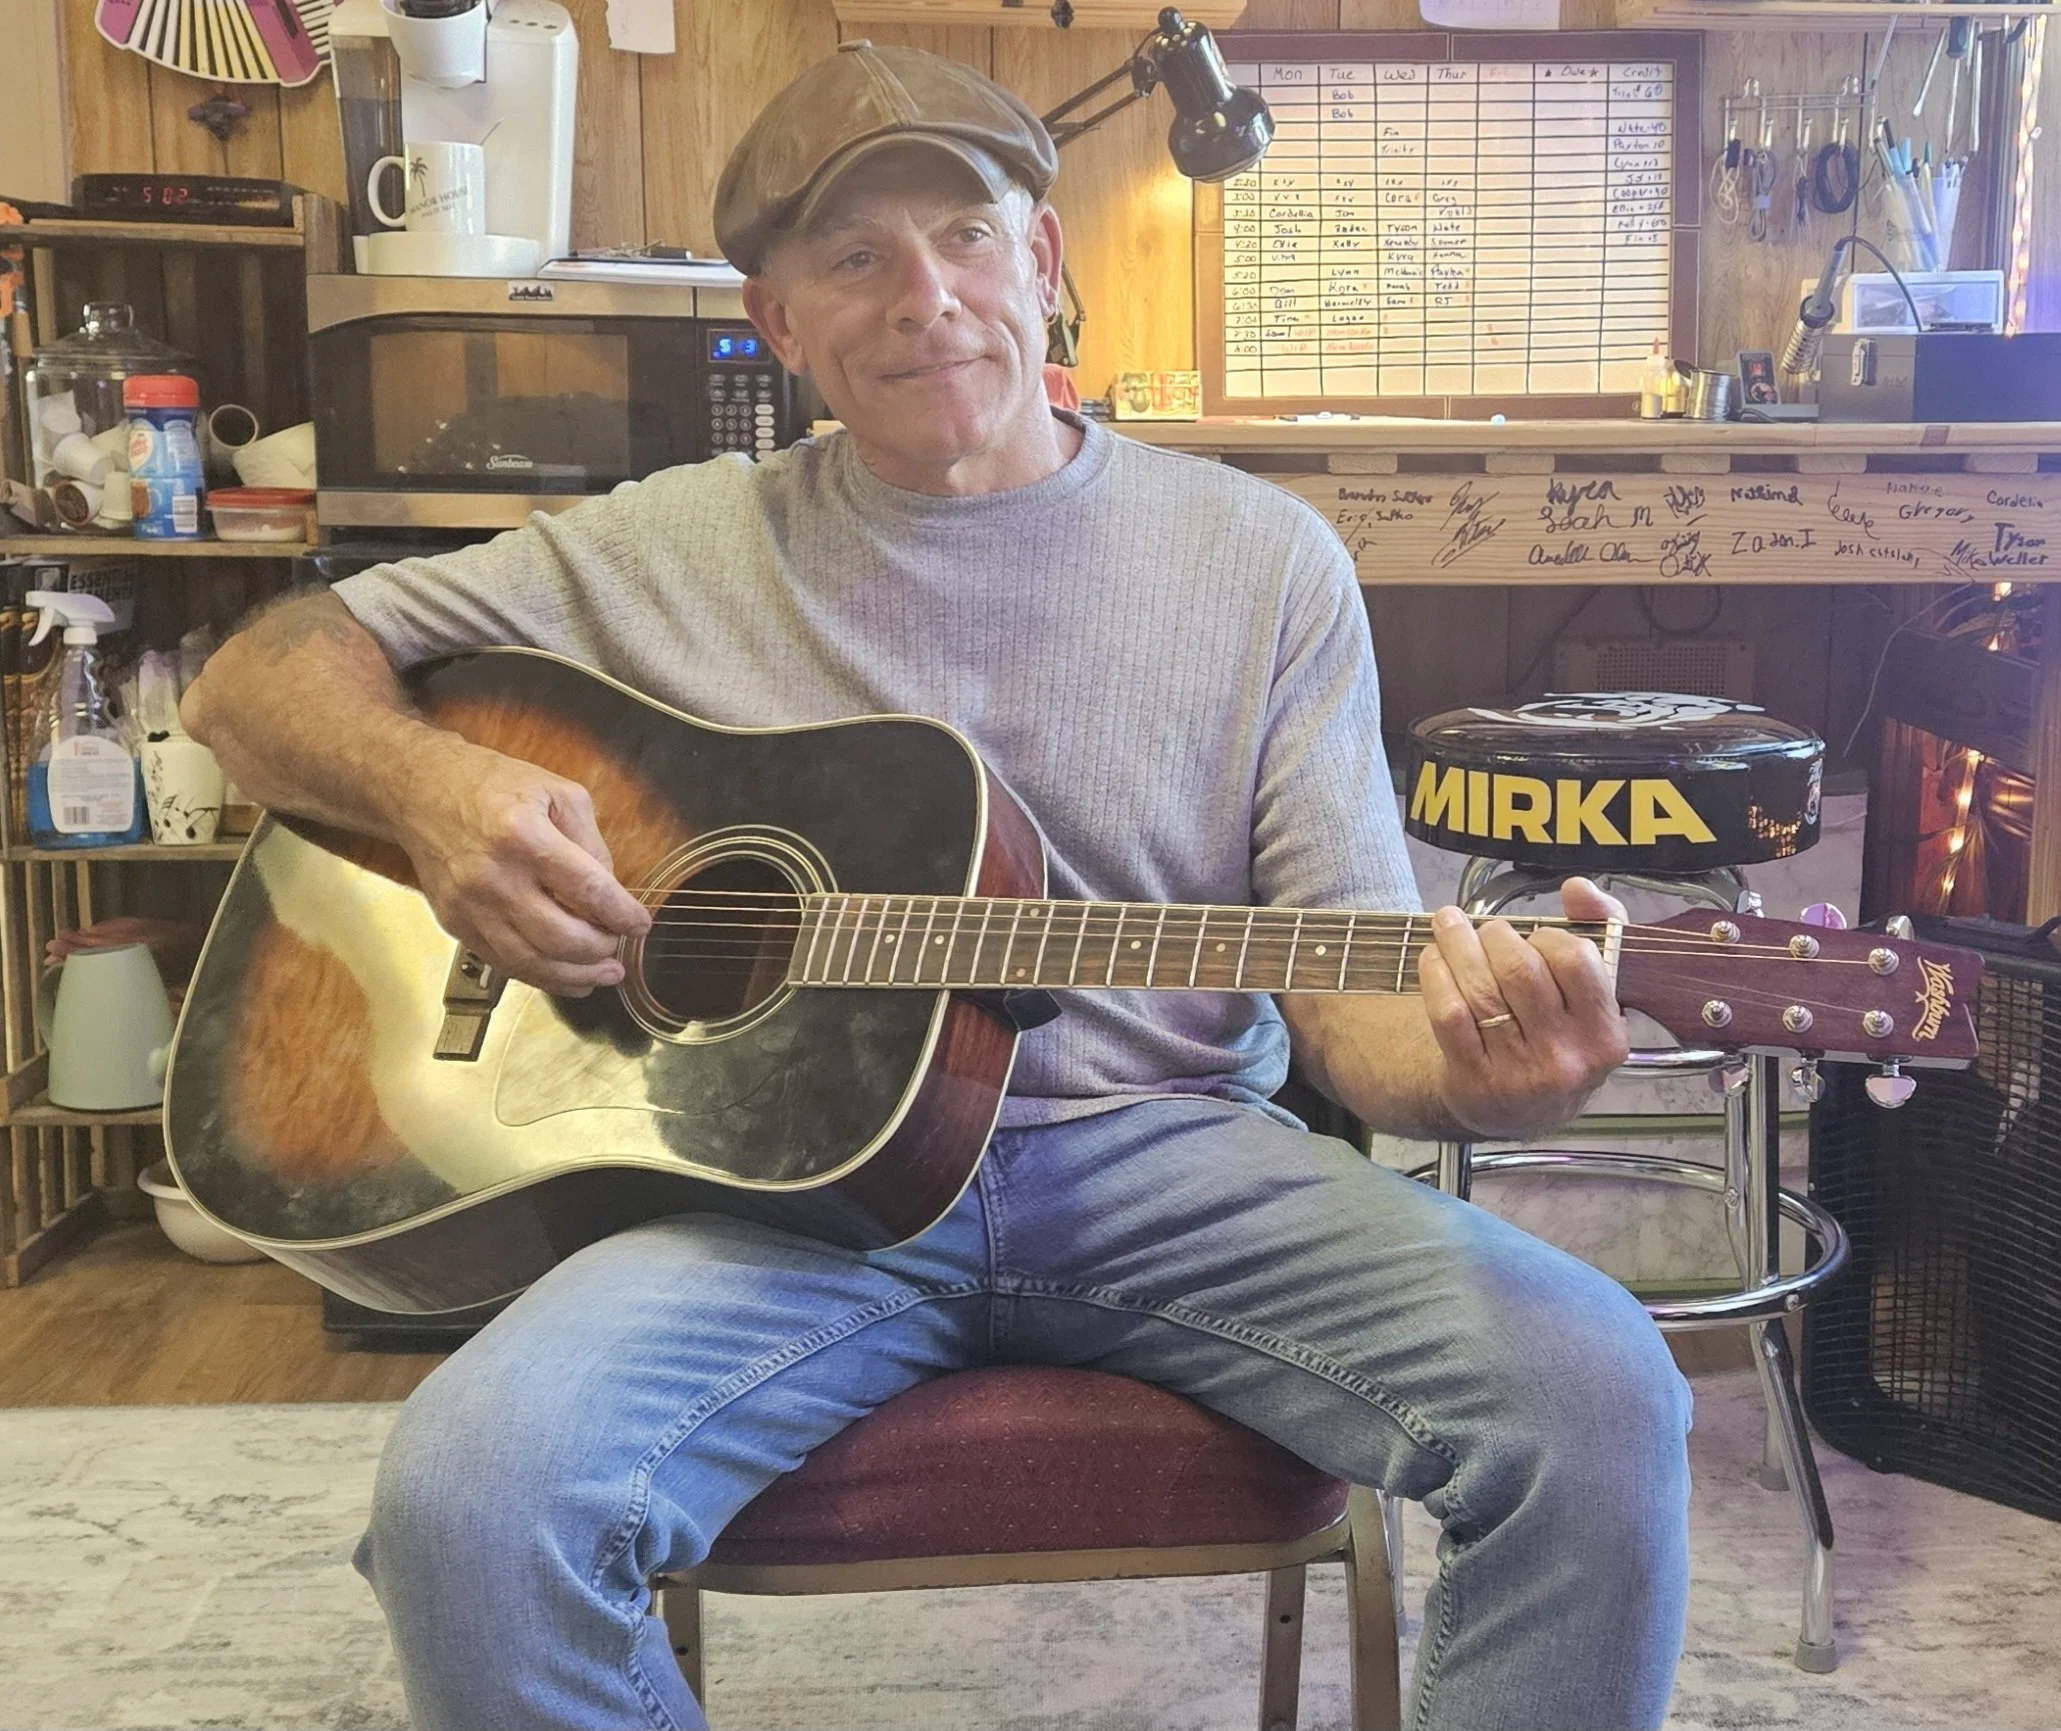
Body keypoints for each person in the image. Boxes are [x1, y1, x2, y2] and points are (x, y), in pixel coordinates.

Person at [182, 43, 1692, 1731]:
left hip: (1172, 1160)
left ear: (1042, 266)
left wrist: (1463, 1064)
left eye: (968, 237)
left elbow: (1349, 994)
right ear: (777, 318)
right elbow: (252, 679)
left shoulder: (1261, 560)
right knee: (470, 1502)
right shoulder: (666, 542)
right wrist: (436, 790)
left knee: (1597, 1393)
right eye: (855, 259)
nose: (927, 300)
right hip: (774, 1205)